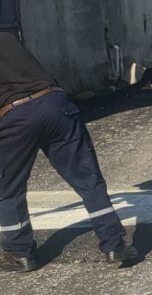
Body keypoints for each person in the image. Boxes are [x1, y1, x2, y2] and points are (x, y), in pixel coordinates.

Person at [0, 30, 139, 272]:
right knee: (89, 180)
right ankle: (114, 245)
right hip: (55, 102)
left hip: (16, 115)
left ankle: (19, 253)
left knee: (9, 188)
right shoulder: (7, 36)